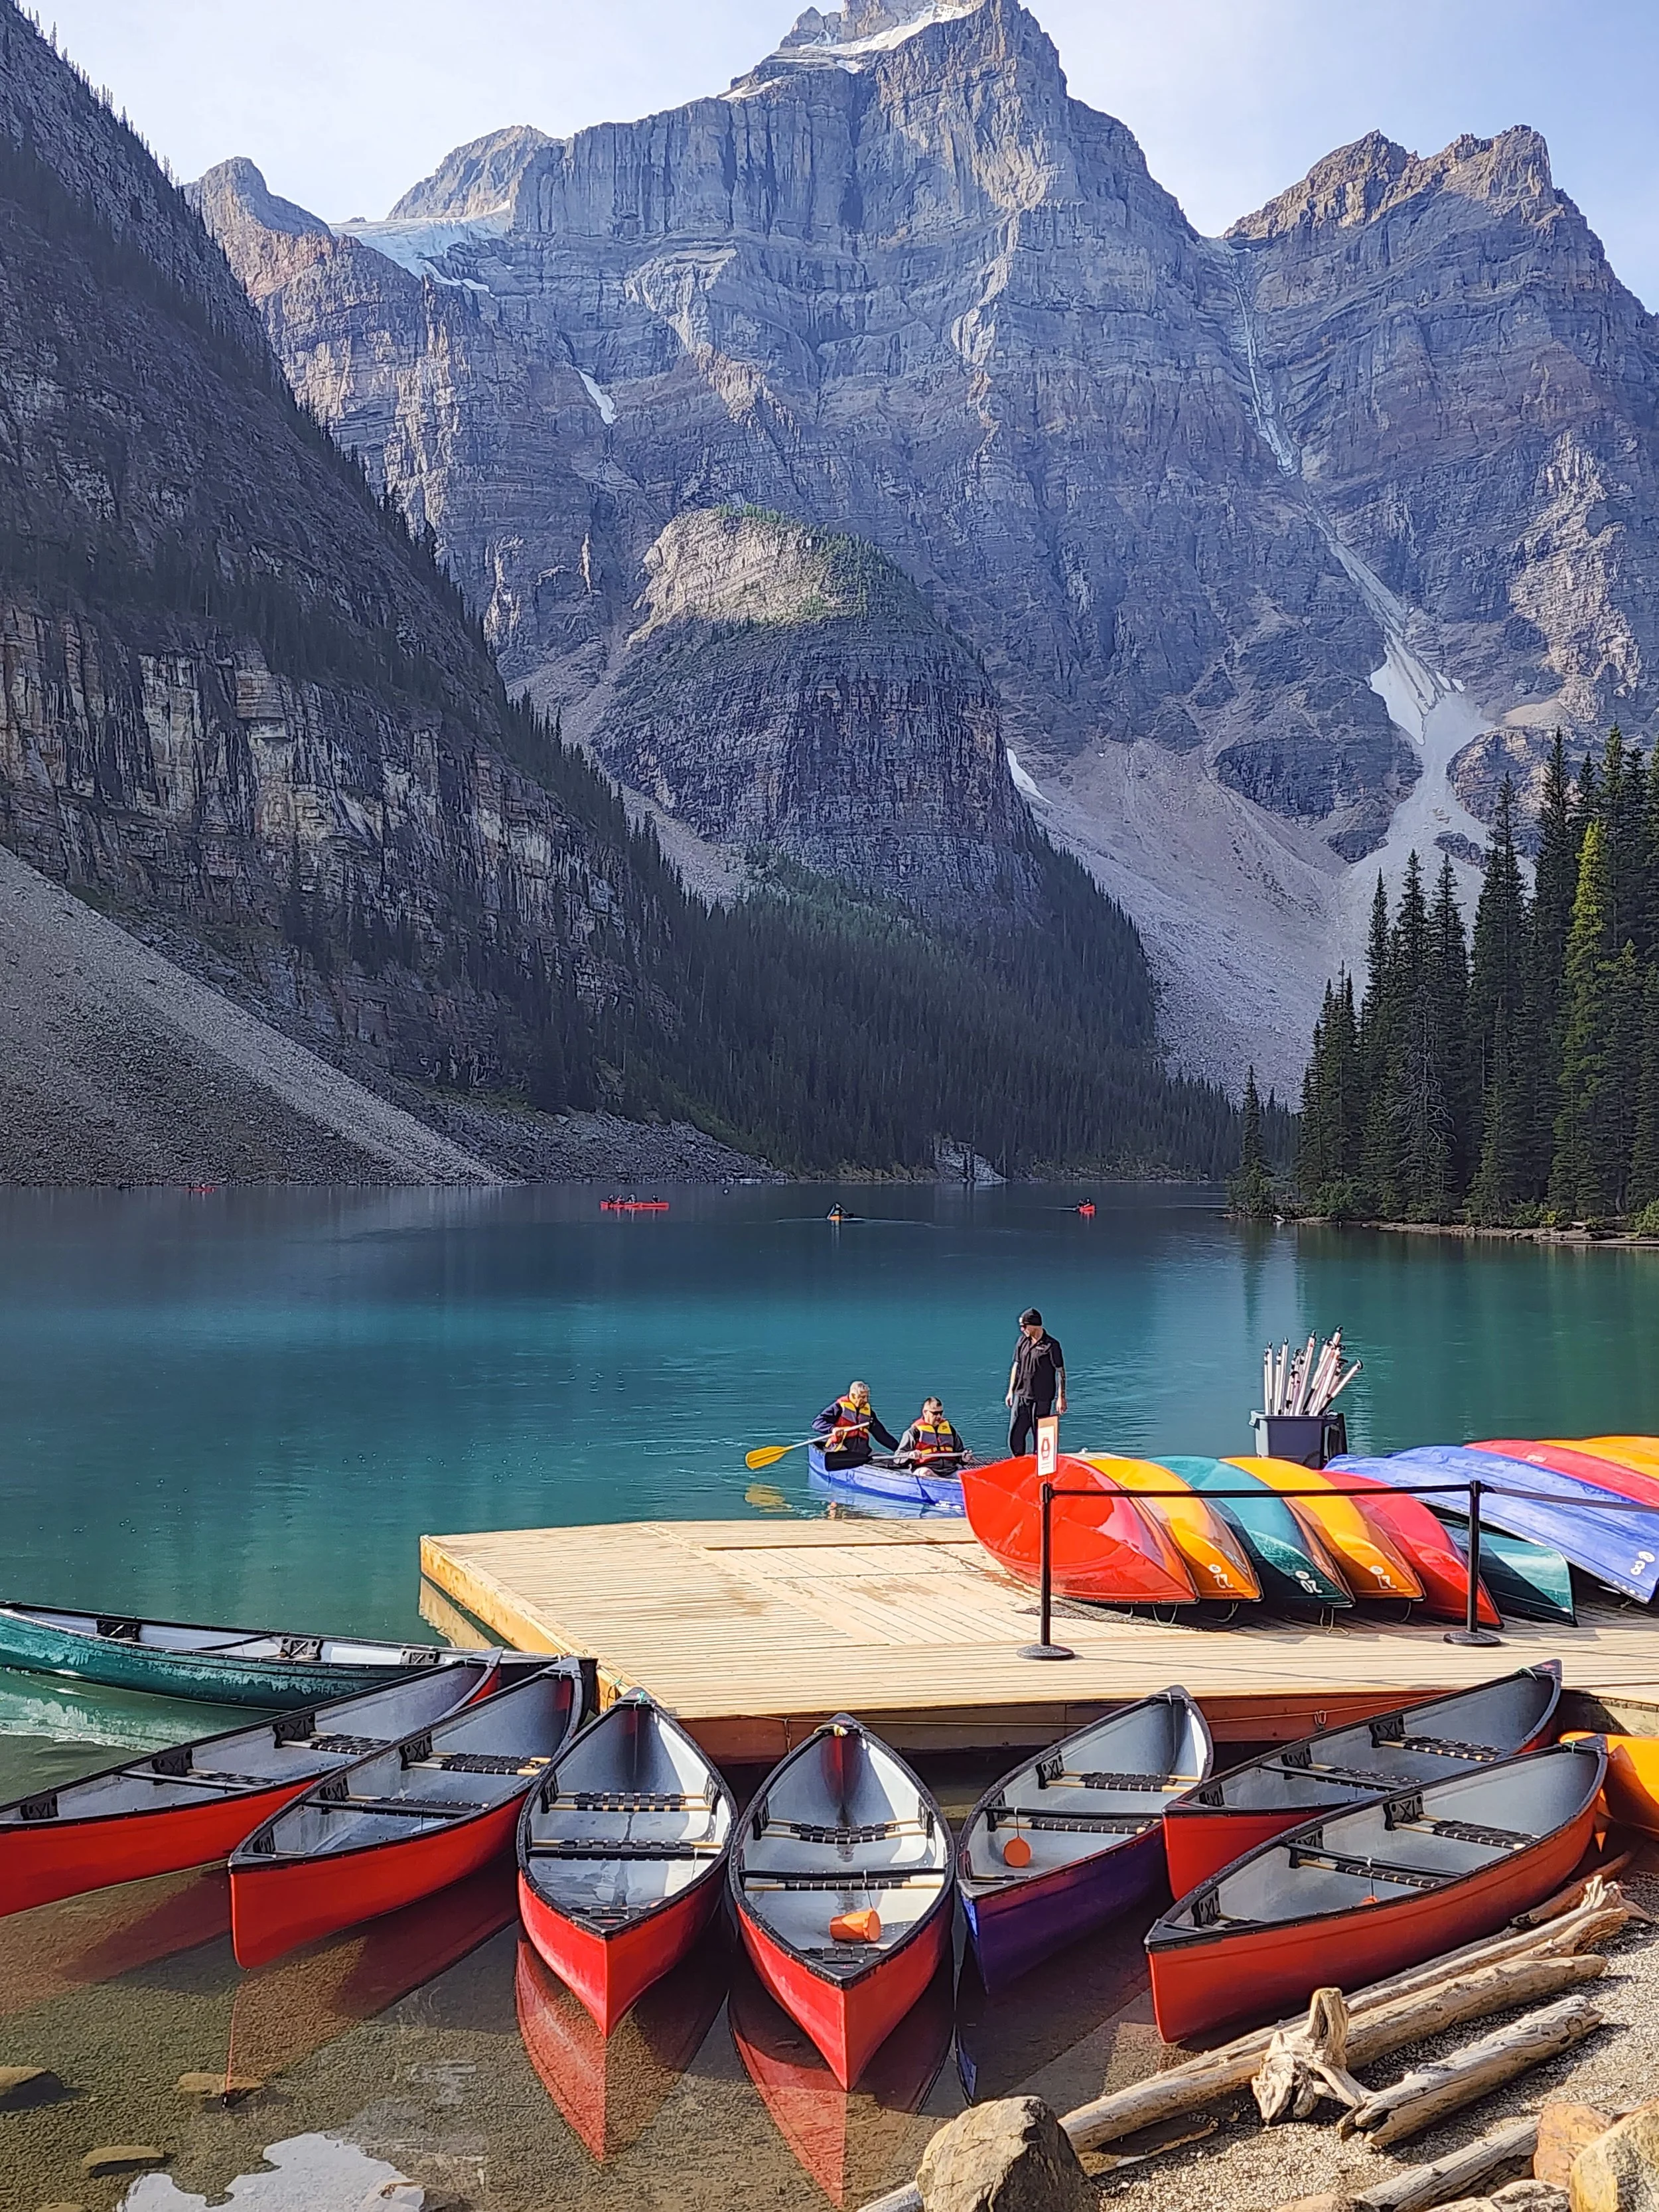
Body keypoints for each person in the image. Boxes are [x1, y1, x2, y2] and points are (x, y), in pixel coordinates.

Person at [1005, 1307, 1065, 1457]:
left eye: (1024, 1326)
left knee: (1041, 1436)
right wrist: (1010, 1392)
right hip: (1021, 1396)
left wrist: (1061, 1397)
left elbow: (1060, 1371)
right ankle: (1018, 1463)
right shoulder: (1022, 1341)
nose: (1022, 1329)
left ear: (1034, 1325)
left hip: (1041, 1399)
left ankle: (1040, 1466)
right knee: (1015, 1435)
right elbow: (1016, 1365)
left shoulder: (1052, 1345)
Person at [813, 1380, 899, 1471]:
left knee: (894, 1462)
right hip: (841, 1452)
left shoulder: (868, 1413)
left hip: (864, 1453)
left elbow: (882, 1435)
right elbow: (817, 1423)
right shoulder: (839, 1408)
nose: (866, 1400)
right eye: (862, 1397)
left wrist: (900, 1450)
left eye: (867, 1397)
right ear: (853, 1396)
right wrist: (833, 1429)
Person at [895, 1398, 970, 1475]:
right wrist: (910, 1455)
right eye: (935, 1413)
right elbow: (898, 1458)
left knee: (967, 1475)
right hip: (927, 1470)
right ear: (925, 1412)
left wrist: (965, 1458)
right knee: (926, 1473)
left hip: (950, 1470)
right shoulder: (914, 1432)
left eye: (941, 1413)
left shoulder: (950, 1430)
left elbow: (960, 1453)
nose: (939, 1416)